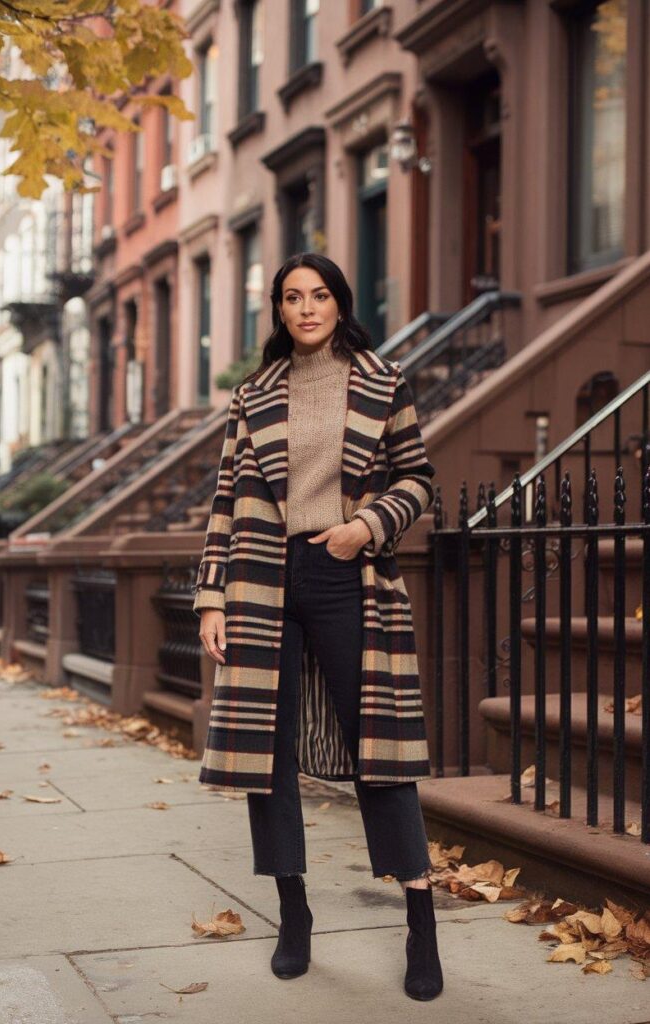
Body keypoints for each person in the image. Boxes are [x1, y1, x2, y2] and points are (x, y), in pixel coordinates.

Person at [194, 252, 443, 1001]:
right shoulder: (254, 394)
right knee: (264, 761)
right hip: (263, 579)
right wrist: (212, 596)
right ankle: (293, 915)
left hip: (345, 574)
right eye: (292, 297)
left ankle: (420, 926)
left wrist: (363, 526)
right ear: (278, 309)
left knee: (380, 752)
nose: (306, 308)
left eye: (320, 295)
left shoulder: (380, 379)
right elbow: (226, 498)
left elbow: (418, 478)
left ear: (340, 303)